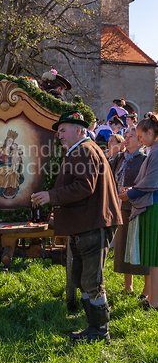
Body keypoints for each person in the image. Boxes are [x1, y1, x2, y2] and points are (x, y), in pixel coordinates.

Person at [33, 110, 122, 344]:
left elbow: (84, 187)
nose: (60, 135)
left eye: (63, 130)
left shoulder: (84, 150)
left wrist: (50, 196)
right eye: (58, 131)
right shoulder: (81, 150)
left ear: (79, 130)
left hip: (93, 224)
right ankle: (93, 328)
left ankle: (101, 333)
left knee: (91, 282)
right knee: (80, 278)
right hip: (87, 223)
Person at [119, 114, 158, 311]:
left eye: (141, 137)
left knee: (154, 255)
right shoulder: (154, 150)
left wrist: (130, 194)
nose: (140, 140)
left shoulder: (156, 153)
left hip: (154, 205)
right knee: (153, 256)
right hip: (152, 204)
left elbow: (152, 182)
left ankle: (154, 301)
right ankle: (152, 297)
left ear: (150, 133)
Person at [109, 127, 150, 297]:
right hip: (120, 208)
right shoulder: (119, 157)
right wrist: (114, 151)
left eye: (131, 136)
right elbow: (104, 170)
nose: (127, 138)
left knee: (141, 247)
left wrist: (131, 191)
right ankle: (128, 286)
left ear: (141, 141)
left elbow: (149, 182)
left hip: (139, 208)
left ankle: (147, 290)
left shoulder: (145, 159)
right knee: (123, 245)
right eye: (126, 135)